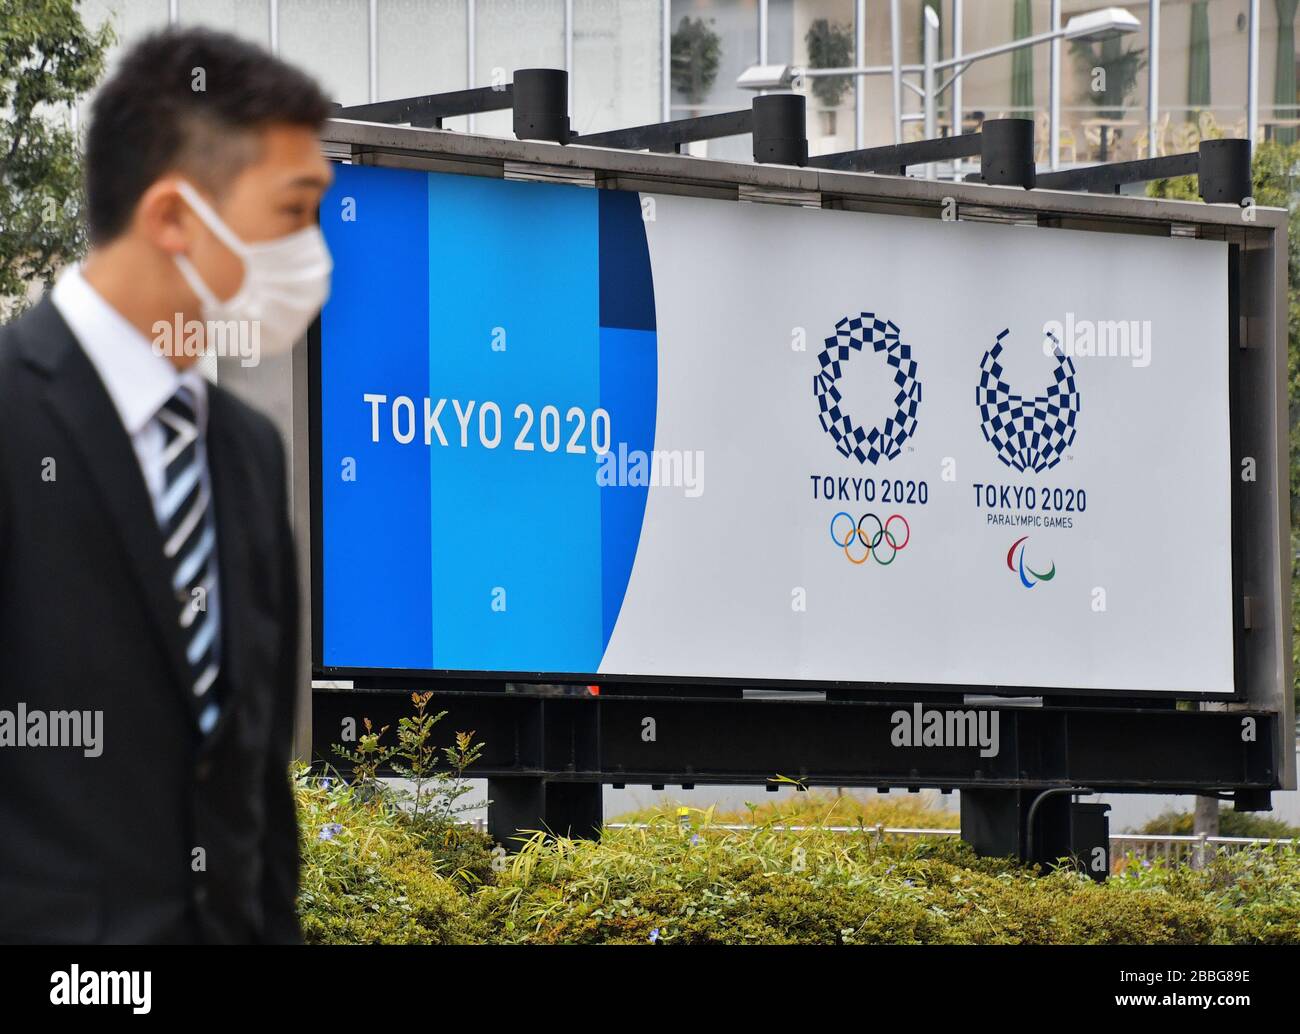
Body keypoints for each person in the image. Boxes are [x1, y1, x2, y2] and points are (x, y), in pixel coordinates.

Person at [0, 26, 334, 943]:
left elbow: (258, 789)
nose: (315, 255)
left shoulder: (247, 454)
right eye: (292, 211)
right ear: (174, 218)